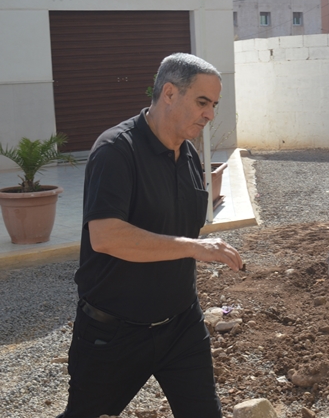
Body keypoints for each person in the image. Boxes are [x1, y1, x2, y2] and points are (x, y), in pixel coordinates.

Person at [57, 53, 243, 418]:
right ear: (169, 93)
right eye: (202, 102)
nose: (210, 114)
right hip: (114, 333)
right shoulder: (116, 150)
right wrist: (194, 247)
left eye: (214, 105)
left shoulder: (188, 155)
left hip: (182, 325)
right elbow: (106, 236)